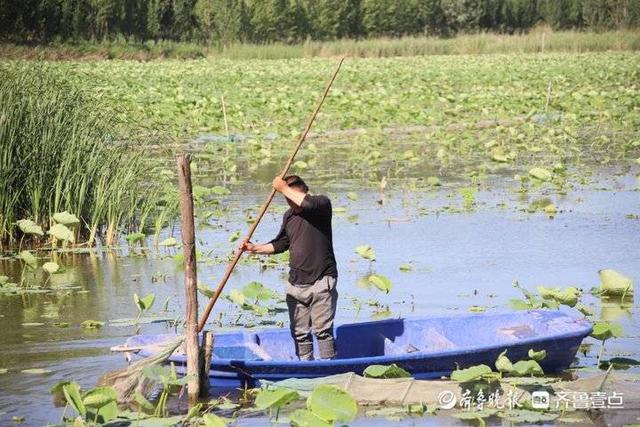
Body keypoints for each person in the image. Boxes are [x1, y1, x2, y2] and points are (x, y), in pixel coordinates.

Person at [240, 175, 338, 360]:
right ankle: (306, 366)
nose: (289, 201)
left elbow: (308, 204)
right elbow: (281, 243)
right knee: (300, 333)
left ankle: (328, 368)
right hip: (296, 284)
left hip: (321, 280)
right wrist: (254, 248)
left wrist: (284, 188)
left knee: (322, 331)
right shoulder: (289, 216)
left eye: (291, 196)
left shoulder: (321, 205)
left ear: (303, 191)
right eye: (286, 199)